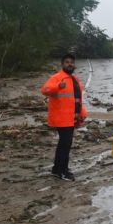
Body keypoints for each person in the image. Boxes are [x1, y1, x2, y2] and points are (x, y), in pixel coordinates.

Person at [41, 53, 87, 181]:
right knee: (65, 145)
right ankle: (61, 171)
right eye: (67, 62)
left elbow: (77, 99)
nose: (70, 64)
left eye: (72, 62)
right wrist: (57, 86)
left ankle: (58, 169)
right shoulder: (57, 78)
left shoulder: (75, 80)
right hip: (61, 119)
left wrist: (82, 113)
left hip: (71, 118)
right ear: (62, 64)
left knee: (65, 145)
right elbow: (44, 90)